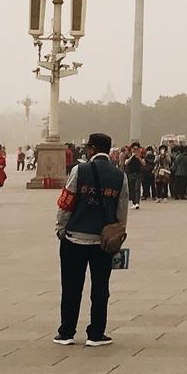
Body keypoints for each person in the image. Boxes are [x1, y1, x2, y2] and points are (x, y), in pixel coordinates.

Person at [53, 132, 124, 347]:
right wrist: (117, 236)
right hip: (102, 242)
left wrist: (61, 227)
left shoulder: (79, 170)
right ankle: (96, 334)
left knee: (71, 286)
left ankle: (66, 332)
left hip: (75, 238)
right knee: (101, 288)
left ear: (92, 148)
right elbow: (121, 212)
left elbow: (66, 201)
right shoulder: (120, 175)